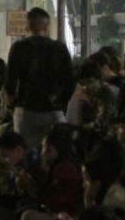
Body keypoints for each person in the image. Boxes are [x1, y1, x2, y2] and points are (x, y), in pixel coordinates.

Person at [5, 8, 75, 150]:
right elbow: (70, 81)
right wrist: (60, 102)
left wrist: (12, 103)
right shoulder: (59, 48)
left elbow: (9, 80)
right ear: (46, 26)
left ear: (28, 26)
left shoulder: (19, 48)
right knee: (57, 150)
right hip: (52, 109)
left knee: (27, 152)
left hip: (25, 109)